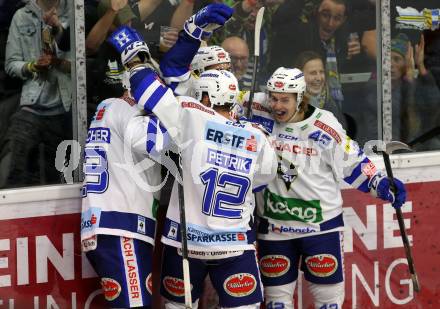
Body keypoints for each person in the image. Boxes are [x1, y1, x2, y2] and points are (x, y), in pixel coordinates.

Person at [109, 4, 279, 307]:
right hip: (235, 243)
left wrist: (134, 60)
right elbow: (263, 178)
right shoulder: (257, 136)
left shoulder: (190, 115)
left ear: (203, 95)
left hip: (186, 242)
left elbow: (150, 91)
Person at [237, 66, 407, 309]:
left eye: (285, 99)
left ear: (300, 97)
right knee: (276, 303)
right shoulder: (257, 105)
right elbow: (221, 97)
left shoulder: (324, 125)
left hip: (320, 228)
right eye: (273, 97)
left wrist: (380, 183)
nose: (276, 105)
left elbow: (354, 161)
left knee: (328, 304)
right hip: (273, 228)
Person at [81, 26, 170, 307]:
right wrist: (177, 115)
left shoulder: (109, 106)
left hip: (107, 226)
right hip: (121, 230)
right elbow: (157, 143)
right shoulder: (129, 111)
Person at [0, 0, 72, 188]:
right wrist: (32, 66)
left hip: (66, 105)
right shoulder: (22, 16)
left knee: (62, 179)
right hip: (32, 104)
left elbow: (79, 62)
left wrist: (58, 29)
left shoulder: (75, 13)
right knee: (12, 168)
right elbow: (11, 63)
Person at [294, 50, 347, 128]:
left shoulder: (330, 103)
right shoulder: (288, 106)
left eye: (321, 72)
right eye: (313, 73)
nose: (319, 78)